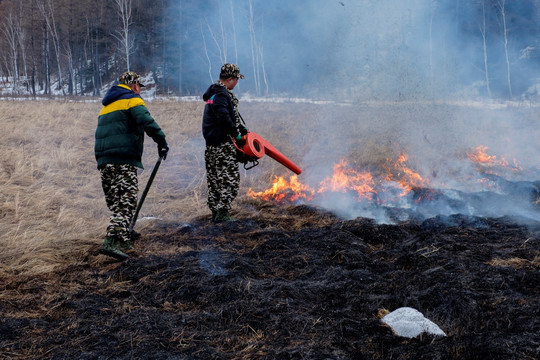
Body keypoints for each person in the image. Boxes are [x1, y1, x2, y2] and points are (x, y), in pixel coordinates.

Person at [95, 71, 169, 260]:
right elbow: (146, 121)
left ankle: (124, 239)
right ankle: (111, 241)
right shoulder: (132, 100)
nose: (140, 90)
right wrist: (161, 140)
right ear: (134, 85)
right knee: (126, 201)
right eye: (139, 87)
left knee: (117, 201)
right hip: (123, 158)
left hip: (104, 160)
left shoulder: (108, 105)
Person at [202, 63, 248, 222]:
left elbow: (226, 116)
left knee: (215, 180)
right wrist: (237, 134)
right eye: (236, 80)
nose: (237, 83)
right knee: (230, 180)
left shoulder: (214, 92)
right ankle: (222, 214)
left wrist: (241, 127)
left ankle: (215, 213)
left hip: (212, 145)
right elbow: (224, 118)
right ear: (230, 79)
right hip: (222, 144)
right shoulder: (222, 94)